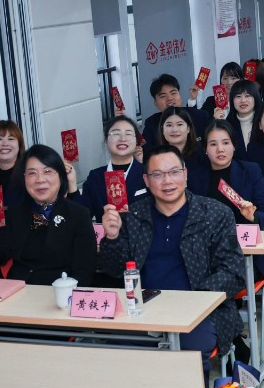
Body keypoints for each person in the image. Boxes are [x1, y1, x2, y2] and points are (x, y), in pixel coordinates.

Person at [97, 145, 245, 360]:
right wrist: (112, 237)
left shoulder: (215, 213)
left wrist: (193, 301)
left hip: (201, 309)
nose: (167, 181)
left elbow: (233, 272)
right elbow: (114, 270)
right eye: (157, 175)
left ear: (185, 174)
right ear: (146, 181)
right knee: (116, 348)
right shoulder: (133, 215)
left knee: (189, 348)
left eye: (174, 172)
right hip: (143, 309)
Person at [189, 121, 264, 317]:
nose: (220, 149)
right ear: (205, 149)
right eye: (213, 144)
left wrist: (252, 217)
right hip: (206, 254)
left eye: (226, 143)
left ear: (234, 146)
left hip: (243, 254)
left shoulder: (250, 171)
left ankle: (219, 320)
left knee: (216, 280)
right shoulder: (195, 177)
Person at [0, 144, 96, 285]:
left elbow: (84, 272)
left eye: (47, 171)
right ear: (24, 178)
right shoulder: (14, 213)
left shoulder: (78, 215)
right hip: (18, 291)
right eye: (32, 173)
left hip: (60, 291)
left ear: (61, 176)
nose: (40, 179)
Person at [78, 116, 147, 217]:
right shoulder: (95, 177)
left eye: (128, 134)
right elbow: (81, 217)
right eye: (116, 134)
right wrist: (72, 186)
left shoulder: (147, 172)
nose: (122, 138)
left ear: (136, 140)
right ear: (106, 140)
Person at [142, 74, 209, 146]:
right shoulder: (151, 124)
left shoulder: (200, 116)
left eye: (173, 93)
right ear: (156, 103)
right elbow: (146, 150)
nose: (170, 98)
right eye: (163, 96)